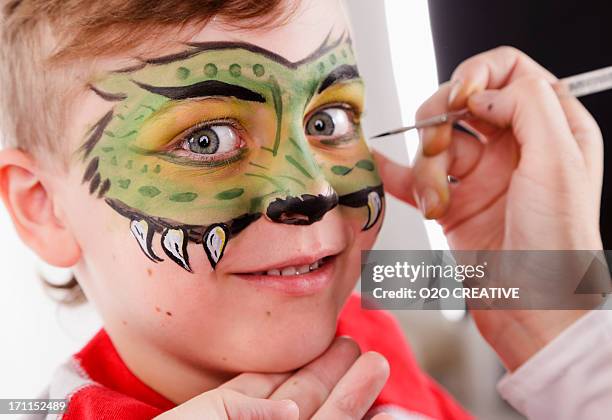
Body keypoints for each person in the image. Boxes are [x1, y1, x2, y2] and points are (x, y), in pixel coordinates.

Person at [0, 1, 609, 419]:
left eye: (328, 120)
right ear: (44, 208)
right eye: (206, 139)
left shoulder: (366, 334)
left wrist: (556, 324)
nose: (314, 190)